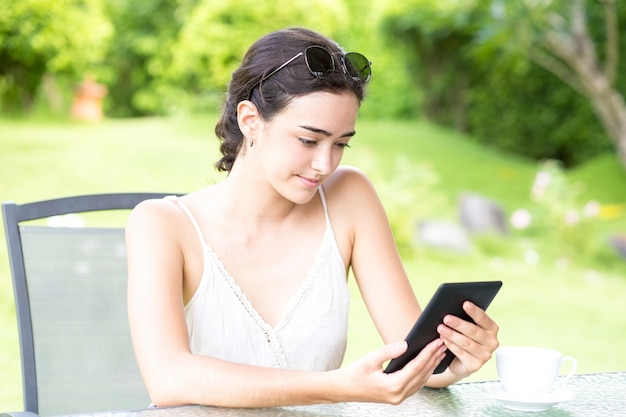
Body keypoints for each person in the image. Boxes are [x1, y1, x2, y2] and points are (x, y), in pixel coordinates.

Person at [125, 27, 499, 408]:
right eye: (308, 140)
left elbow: (412, 354)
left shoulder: (349, 198)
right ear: (250, 119)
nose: (324, 164)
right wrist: (339, 387)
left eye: (340, 144)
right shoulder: (161, 225)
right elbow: (169, 378)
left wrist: (452, 362)